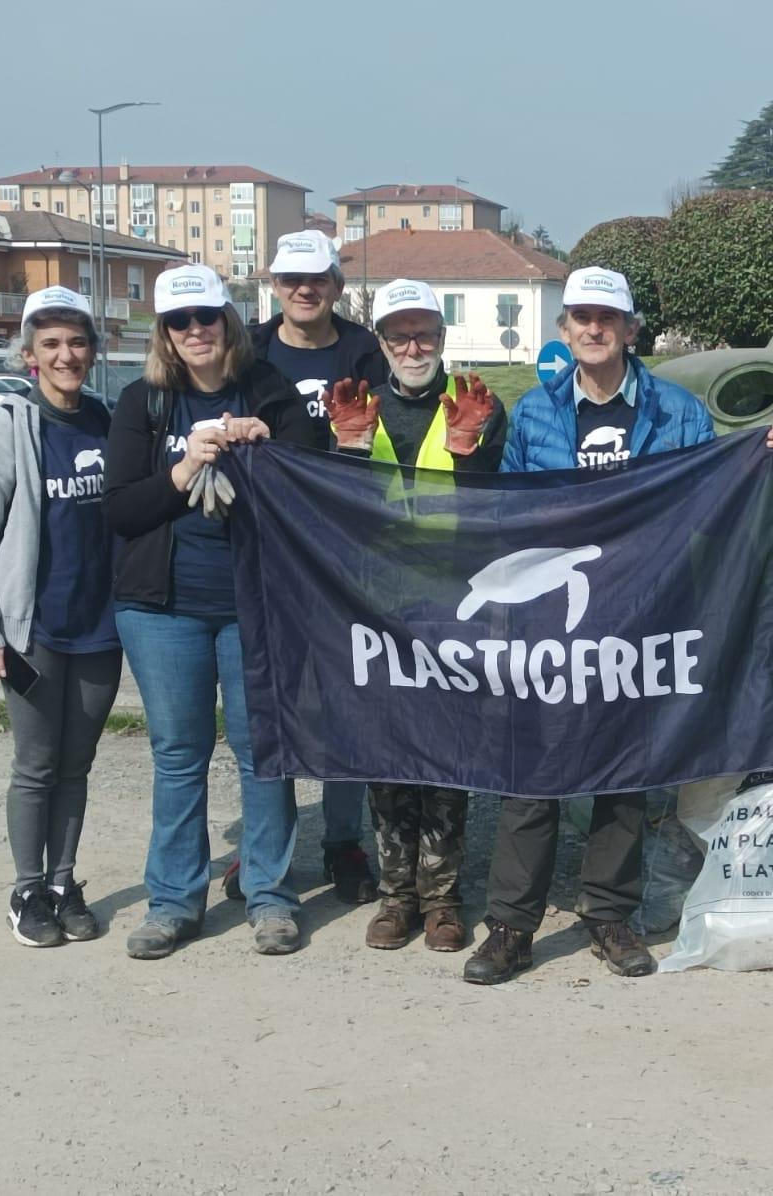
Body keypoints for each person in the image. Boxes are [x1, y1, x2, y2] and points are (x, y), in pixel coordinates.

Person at [462, 266, 773, 985]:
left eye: (608, 317)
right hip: (551, 619)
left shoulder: (676, 410)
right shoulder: (536, 415)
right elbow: (509, 515)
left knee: (624, 768)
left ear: (632, 330)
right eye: (580, 316)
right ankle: (511, 926)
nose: (594, 328)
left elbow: (706, 499)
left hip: (641, 614)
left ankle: (609, 914)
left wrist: (750, 464)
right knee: (531, 770)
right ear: (565, 330)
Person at [104, 263, 326, 959]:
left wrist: (272, 452)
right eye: (179, 321)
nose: (194, 331)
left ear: (227, 321)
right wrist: (182, 466)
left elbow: (316, 486)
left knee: (264, 753)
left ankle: (269, 896)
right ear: (164, 334)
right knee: (179, 754)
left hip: (254, 603)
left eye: (205, 317)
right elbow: (121, 511)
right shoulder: (144, 402)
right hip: (162, 608)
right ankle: (173, 901)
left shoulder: (269, 389)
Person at [325, 278, 507, 950]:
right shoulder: (354, 409)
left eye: (424, 333)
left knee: (446, 756)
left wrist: (471, 453)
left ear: (441, 337)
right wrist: (344, 449)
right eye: (399, 334)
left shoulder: (477, 406)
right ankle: (394, 895)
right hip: (373, 605)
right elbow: (333, 511)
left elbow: (497, 510)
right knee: (388, 753)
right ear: (381, 342)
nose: (412, 345)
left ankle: (443, 899)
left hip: (450, 602)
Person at [0, 286, 121, 948]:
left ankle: (61, 882)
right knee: (37, 764)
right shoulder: (7, 429)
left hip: (101, 626)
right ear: (29, 356)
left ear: (92, 352)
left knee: (77, 765)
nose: (65, 355)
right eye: (50, 344)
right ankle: (26, 890)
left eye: (77, 342)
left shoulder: (107, 422)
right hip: (35, 629)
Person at [245, 229, 382, 905]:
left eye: (318, 278)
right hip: (269, 548)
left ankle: (343, 840)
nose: (305, 289)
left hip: (346, 550)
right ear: (274, 284)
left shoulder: (362, 350)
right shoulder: (250, 349)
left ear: (336, 283)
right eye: (292, 279)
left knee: (345, 702)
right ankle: (264, 853)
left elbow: (388, 442)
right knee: (270, 701)